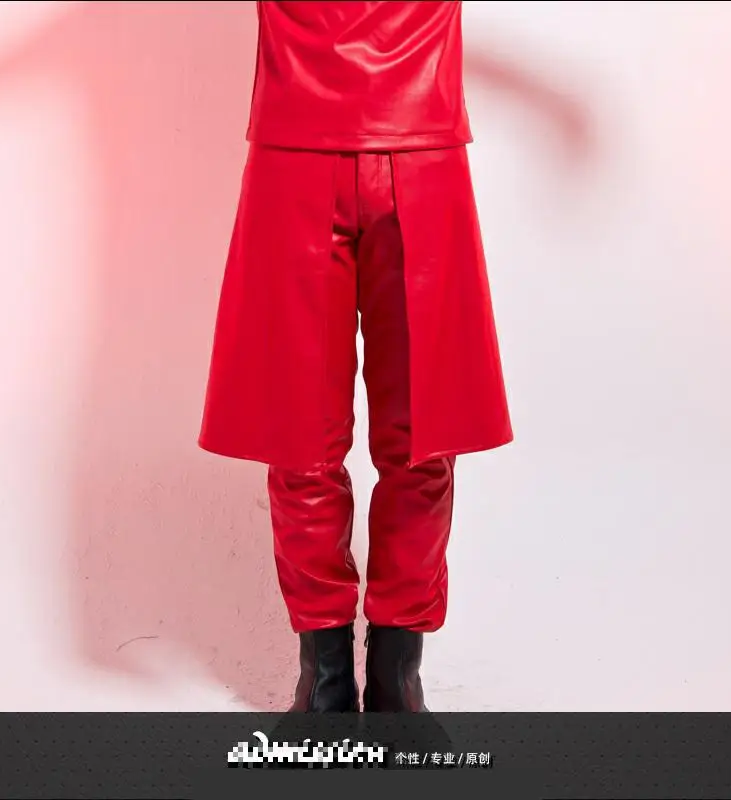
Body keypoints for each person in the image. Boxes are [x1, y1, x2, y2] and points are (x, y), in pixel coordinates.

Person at [199, 0, 513, 712]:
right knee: (300, 440)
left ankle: (397, 676)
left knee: (425, 437)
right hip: (299, 149)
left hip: (419, 143)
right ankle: (326, 681)